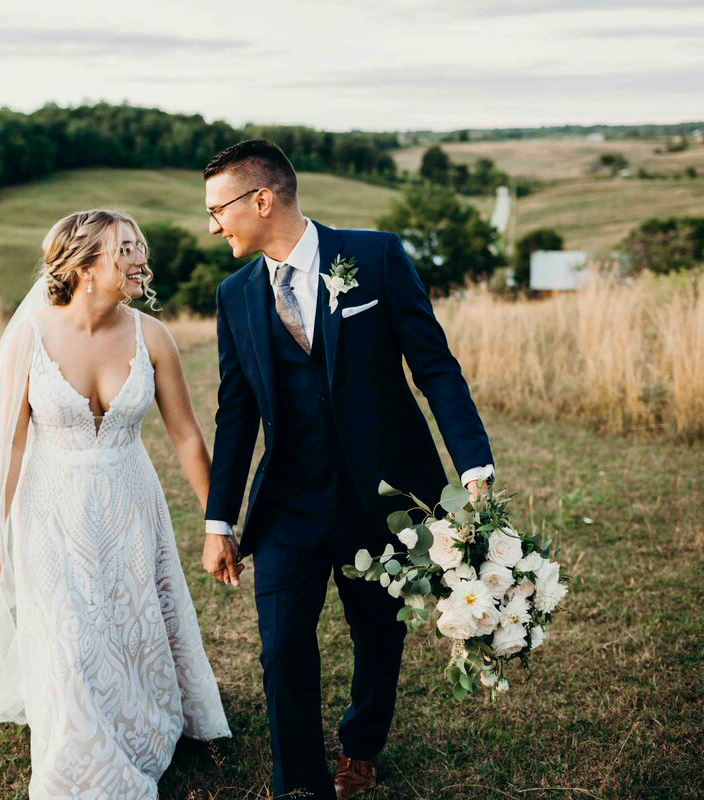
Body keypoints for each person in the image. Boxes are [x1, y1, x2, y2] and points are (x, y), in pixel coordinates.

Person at [199, 140, 495, 799]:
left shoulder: (377, 257)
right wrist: (220, 520)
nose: (213, 225)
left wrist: (473, 465)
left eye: (218, 209)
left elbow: (434, 367)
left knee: (377, 635)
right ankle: (299, 785)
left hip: (379, 497)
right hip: (288, 503)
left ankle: (361, 747)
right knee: (282, 648)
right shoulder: (234, 296)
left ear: (262, 200)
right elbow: (235, 415)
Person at [0, 209, 230, 800]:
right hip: (51, 510)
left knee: (132, 626)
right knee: (69, 637)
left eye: (138, 246)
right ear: (83, 266)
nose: (139, 258)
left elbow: (185, 435)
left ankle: (143, 724)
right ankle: (80, 755)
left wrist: (217, 522)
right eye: (124, 249)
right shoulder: (30, 338)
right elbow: (10, 443)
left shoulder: (153, 336)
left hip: (131, 504)